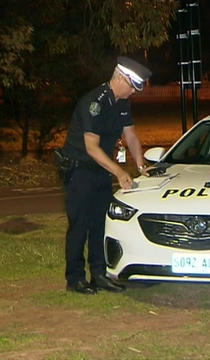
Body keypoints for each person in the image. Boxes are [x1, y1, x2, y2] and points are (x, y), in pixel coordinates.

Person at [59, 56, 153, 295]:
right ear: (119, 77)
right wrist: (120, 171)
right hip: (80, 170)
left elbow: (130, 135)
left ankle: (99, 274)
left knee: (100, 224)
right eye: (131, 86)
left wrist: (141, 166)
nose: (133, 92)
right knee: (80, 225)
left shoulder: (121, 102)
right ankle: (75, 278)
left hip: (101, 171)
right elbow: (91, 147)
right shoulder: (95, 103)